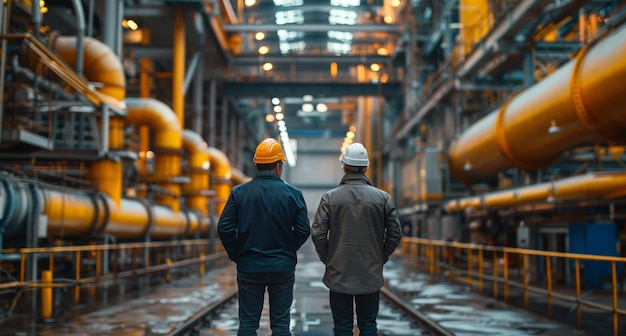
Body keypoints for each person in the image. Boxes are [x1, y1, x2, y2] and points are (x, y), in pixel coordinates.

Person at [217, 138, 311, 336]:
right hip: (282, 268)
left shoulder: (239, 193)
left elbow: (225, 228)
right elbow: (303, 229)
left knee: (248, 325)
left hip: (249, 266)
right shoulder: (292, 194)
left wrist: (238, 254)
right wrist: (287, 251)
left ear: (257, 164)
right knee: (281, 326)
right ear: (278, 166)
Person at [310, 142, 402, 336]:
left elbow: (317, 232)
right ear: (366, 167)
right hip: (370, 271)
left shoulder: (330, 198)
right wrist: (380, 257)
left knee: (342, 326)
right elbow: (395, 233)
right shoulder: (383, 198)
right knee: (368, 324)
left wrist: (329, 258)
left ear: (344, 166)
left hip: (339, 272)